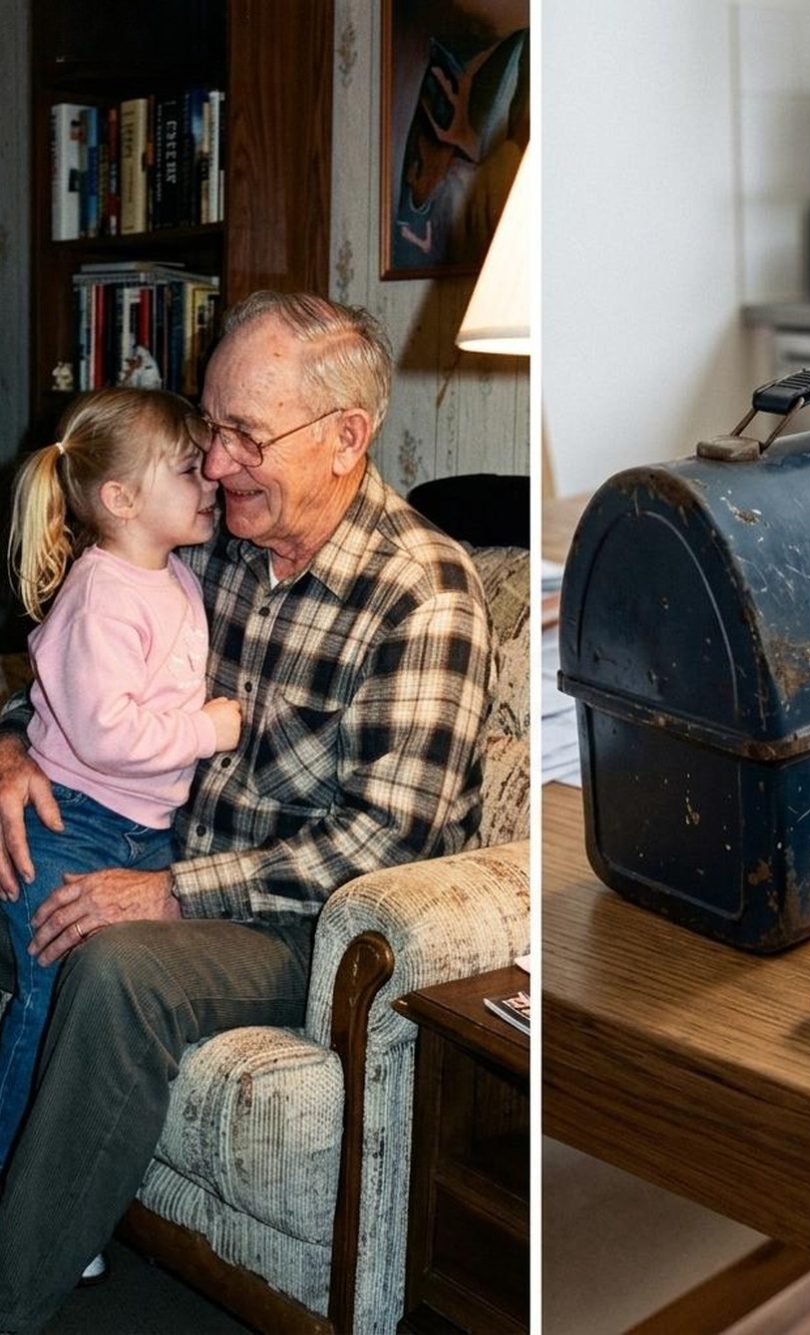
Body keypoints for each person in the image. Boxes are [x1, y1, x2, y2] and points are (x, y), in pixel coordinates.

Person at [0, 291, 494, 1331]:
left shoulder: (423, 591)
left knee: (113, 964)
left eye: (243, 437)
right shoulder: (214, 544)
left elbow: (386, 842)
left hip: (297, 929)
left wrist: (172, 892)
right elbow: (91, 680)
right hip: (157, 851)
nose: (215, 464)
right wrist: (7, 752)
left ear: (345, 439)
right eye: (209, 427)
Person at [0, 388, 242, 1174]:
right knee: (52, 997)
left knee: (102, 1004)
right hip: (70, 821)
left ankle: (60, 1201)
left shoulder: (175, 573)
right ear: (121, 499)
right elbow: (107, 733)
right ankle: (16, 1195)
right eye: (188, 469)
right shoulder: (102, 593)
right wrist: (209, 728)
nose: (211, 477)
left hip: (147, 834)